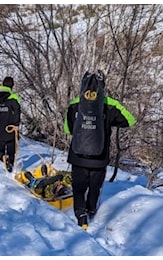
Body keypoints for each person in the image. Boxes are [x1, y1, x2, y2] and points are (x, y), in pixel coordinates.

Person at [63, 70, 136, 230]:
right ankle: (91, 209)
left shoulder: (75, 103)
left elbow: (67, 130)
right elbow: (130, 120)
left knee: (79, 187)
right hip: (99, 157)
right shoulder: (109, 104)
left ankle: (81, 215)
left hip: (77, 155)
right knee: (95, 187)